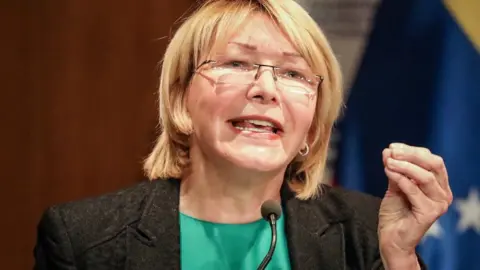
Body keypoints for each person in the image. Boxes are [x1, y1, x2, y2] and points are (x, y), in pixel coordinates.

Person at [33, 0, 453, 269]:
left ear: (312, 123)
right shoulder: (83, 240)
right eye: (236, 64)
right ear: (180, 101)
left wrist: (398, 258)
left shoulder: (363, 233)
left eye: (292, 73)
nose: (265, 89)